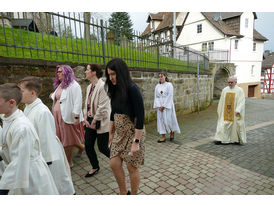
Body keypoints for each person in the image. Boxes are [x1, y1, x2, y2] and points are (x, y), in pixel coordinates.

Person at [18, 76, 75, 195]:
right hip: (38, 154)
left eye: (22, 91)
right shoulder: (27, 107)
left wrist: (46, 162)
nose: (18, 94)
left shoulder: (42, 112)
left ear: (33, 93)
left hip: (49, 156)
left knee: (58, 184)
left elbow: (46, 138)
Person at [0, 83, 58, 195]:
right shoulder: (7, 117)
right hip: (19, 171)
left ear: (11, 102)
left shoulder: (22, 128)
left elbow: (18, 162)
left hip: (30, 176)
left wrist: (3, 189)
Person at [105, 58, 145, 195]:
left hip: (133, 133)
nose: (110, 78)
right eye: (109, 74)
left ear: (121, 73)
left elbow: (140, 117)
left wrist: (136, 142)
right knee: (114, 164)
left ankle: (133, 195)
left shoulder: (133, 89)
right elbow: (113, 111)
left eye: (113, 74)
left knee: (131, 166)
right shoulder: (114, 89)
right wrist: (110, 132)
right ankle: (123, 193)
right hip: (119, 133)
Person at [50, 65, 85, 168]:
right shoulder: (61, 85)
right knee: (65, 137)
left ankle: (69, 162)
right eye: (57, 72)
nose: (58, 73)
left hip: (67, 116)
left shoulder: (74, 85)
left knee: (68, 139)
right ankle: (81, 147)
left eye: (60, 72)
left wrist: (76, 117)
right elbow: (59, 97)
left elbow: (78, 102)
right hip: (57, 116)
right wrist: (52, 95)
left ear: (67, 73)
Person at [83, 63, 111, 178]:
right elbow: (86, 104)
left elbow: (103, 107)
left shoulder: (103, 86)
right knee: (88, 145)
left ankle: (117, 160)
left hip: (101, 121)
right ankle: (95, 166)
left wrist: (94, 121)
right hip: (90, 120)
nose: (85, 71)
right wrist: (85, 117)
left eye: (87, 70)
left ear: (94, 72)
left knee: (102, 148)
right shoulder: (89, 87)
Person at [214, 76, 247, 145]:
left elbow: (241, 101)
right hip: (225, 111)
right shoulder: (225, 90)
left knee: (235, 126)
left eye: (231, 82)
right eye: (229, 82)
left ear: (235, 82)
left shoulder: (239, 90)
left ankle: (234, 140)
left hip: (234, 112)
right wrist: (220, 110)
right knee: (222, 124)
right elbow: (221, 101)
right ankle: (221, 139)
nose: (230, 84)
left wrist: (238, 110)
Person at [153, 72, 181, 143]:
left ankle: (172, 131)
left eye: (162, 76)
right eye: (159, 77)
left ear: (165, 77)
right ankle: (163, 136)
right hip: (160, 106)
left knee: (168, 120)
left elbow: (170, 96)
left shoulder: (169, 85)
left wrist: (164, 106)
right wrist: (159, 105)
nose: (160, 78)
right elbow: (156, 97)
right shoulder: (157, 86)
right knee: (161, 121)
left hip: (168, 105)